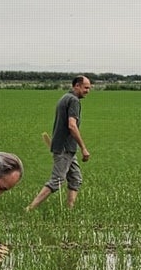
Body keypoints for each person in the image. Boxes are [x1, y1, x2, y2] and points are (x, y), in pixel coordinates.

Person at [26, 76, 92, 210]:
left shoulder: (64, 98)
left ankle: (69, 210)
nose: (88, 91)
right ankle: (29, 209)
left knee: (75, 179)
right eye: (86, 87)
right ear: (77, 86)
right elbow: (72, 126)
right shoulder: (73, 101)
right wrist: (84, 148)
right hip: (64, 149)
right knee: (57, 180)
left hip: (66, 148)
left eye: (89, 88)